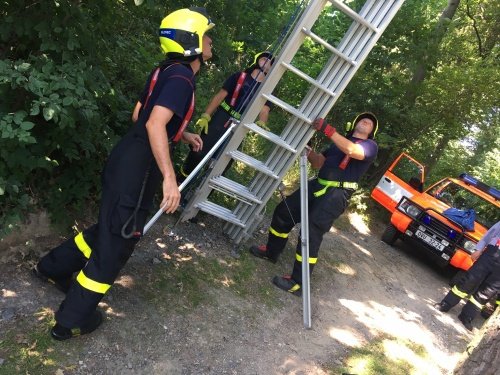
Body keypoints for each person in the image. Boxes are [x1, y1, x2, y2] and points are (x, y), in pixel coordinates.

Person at [32, 7, 215, 340]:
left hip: (126, 158)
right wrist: (170, 178)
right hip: (139, 170)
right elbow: (153, 122)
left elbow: (139, 115)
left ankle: (51, 267)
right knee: (117, 243)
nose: (210, 41)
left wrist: (181, 133)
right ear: (191, 42)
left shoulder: (166, 70)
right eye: (205, 35)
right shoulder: (183, 78)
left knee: (110, 226)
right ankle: (71, 320)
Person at [249, 112, 379, 296]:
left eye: (370, 123)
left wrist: (327, 129)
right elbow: (319, 162)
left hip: (336, 194)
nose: (367, 121)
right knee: (283, 212)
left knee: (310, 233)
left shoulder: (370, 146)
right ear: (355, 124)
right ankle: (271, 252)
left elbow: (352, 151)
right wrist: (309, 151)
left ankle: (298, 283)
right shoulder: (338, 143)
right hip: (317, 185)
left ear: (372, 131)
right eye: (363, 119)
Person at [178, 51, 275, 180]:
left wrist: (262, 122)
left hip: (240, 127)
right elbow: (219, 96)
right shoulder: (239, 77)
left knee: (222, 163)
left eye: (270, 62)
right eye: (266, 59)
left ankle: (200, 190)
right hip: (221, 117)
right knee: (199, 150)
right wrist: (206, 116)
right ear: (259, 61)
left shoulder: (266, 90)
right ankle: (181, 178)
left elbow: (265, 110)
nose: (268, 63)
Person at [434, 220, 500, 331]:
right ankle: (446, 303)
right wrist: (478, 249)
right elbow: (490, 234)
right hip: (492, 253)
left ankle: (466, 316)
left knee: (487, 292)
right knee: (469, 280)